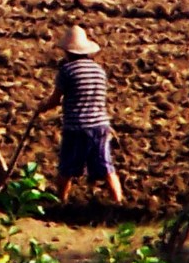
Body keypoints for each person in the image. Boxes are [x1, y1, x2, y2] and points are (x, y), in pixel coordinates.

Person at [34, 24, 124, 203]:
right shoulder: (99, 71)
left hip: (77, 127)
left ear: (68, 52)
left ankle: (61, 203)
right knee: (106, 168)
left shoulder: (67, 71)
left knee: (66, 168)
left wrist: (41, 107)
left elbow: (55, 100)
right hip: (100, 126)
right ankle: (118, 202)